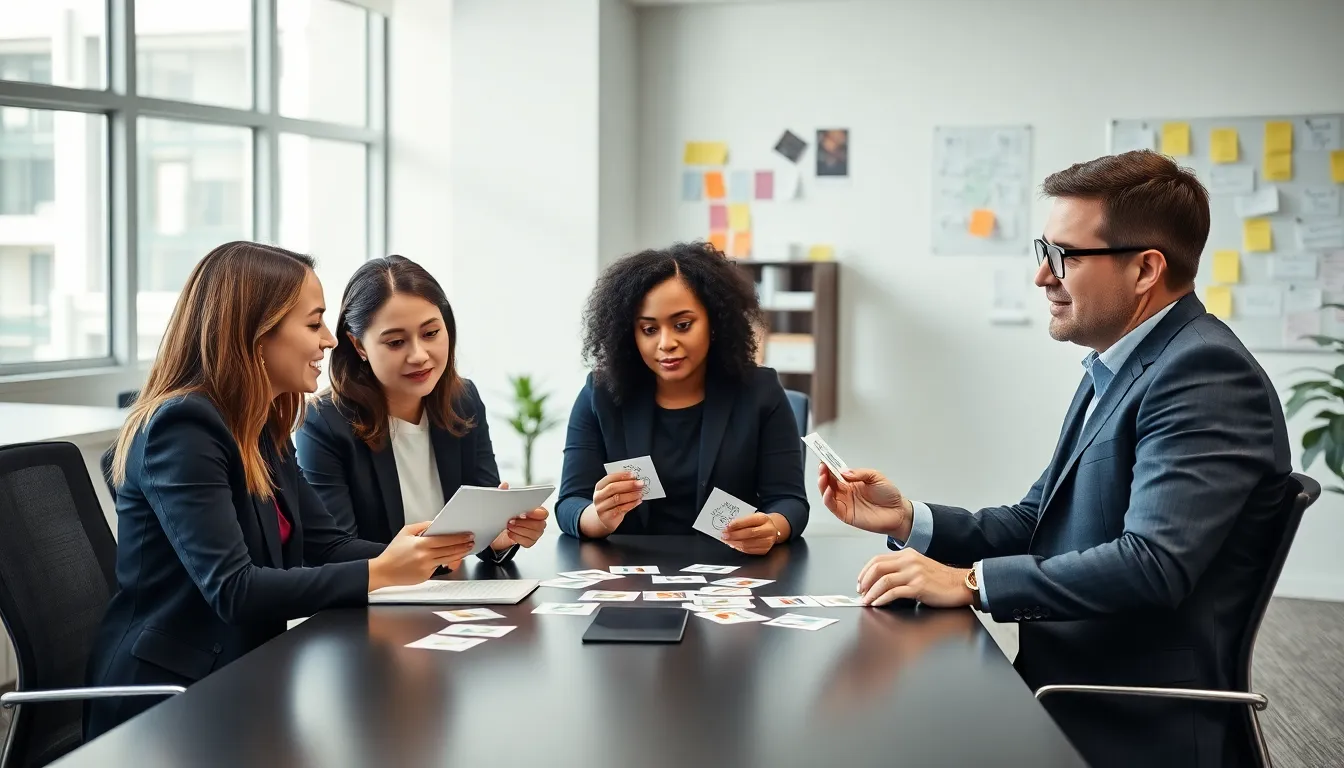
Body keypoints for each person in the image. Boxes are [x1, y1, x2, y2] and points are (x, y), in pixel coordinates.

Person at [819, 151, 1291, 768]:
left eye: (1064, 255)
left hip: (1124, 712)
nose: (1042, 275)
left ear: (1146, 269)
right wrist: (909, 519)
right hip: (1062, 678)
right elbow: (1037, 519)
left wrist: (970, 583)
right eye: (1043, 250)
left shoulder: (1203, 373)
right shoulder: (1118, 366)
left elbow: (1153, 564)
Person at [87, 242, 474, 738]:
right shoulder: (182, 427)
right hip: (170, 703)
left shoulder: (262, 423)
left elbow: (325, 545)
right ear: (256, 333)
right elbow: (234, 589)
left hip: (248, 675)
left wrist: (425, 553)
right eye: (314, 324)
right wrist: (380, 571)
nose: (329, 341)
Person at [556, 241, 808, 552]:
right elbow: (570, 502)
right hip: (628, 568)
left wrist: (772, 528)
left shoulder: (760, 392)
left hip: (732, 566)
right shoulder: (601, 394)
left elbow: (790, 501)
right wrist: (598, 518)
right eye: (649, 329)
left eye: (682, 325)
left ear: (714, 322)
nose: (666, 343)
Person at [295, 255, 547, 564]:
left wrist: (499, 537)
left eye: (430, 334)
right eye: (395, 342)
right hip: (377, 593)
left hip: (456, 588)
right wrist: (431, 555)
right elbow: (335, 551)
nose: (419, 355)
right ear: (359, 346)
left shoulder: (463, 399)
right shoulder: (324, 421)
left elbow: (483, 527)